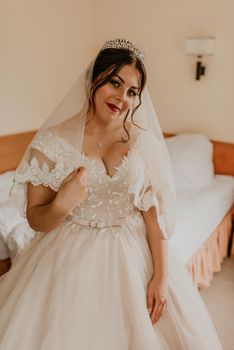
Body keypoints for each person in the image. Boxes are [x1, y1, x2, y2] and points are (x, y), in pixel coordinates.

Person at [0, 38, 222, 350]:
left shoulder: (141, 141)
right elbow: (37, 219)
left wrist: (160, 276)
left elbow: (153, 216)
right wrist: (62, 202)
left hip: (135, 255)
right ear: (94, 79)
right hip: (69, 255)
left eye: (132, 91)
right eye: (114, 83)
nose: (122, 97)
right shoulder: (51, 141)